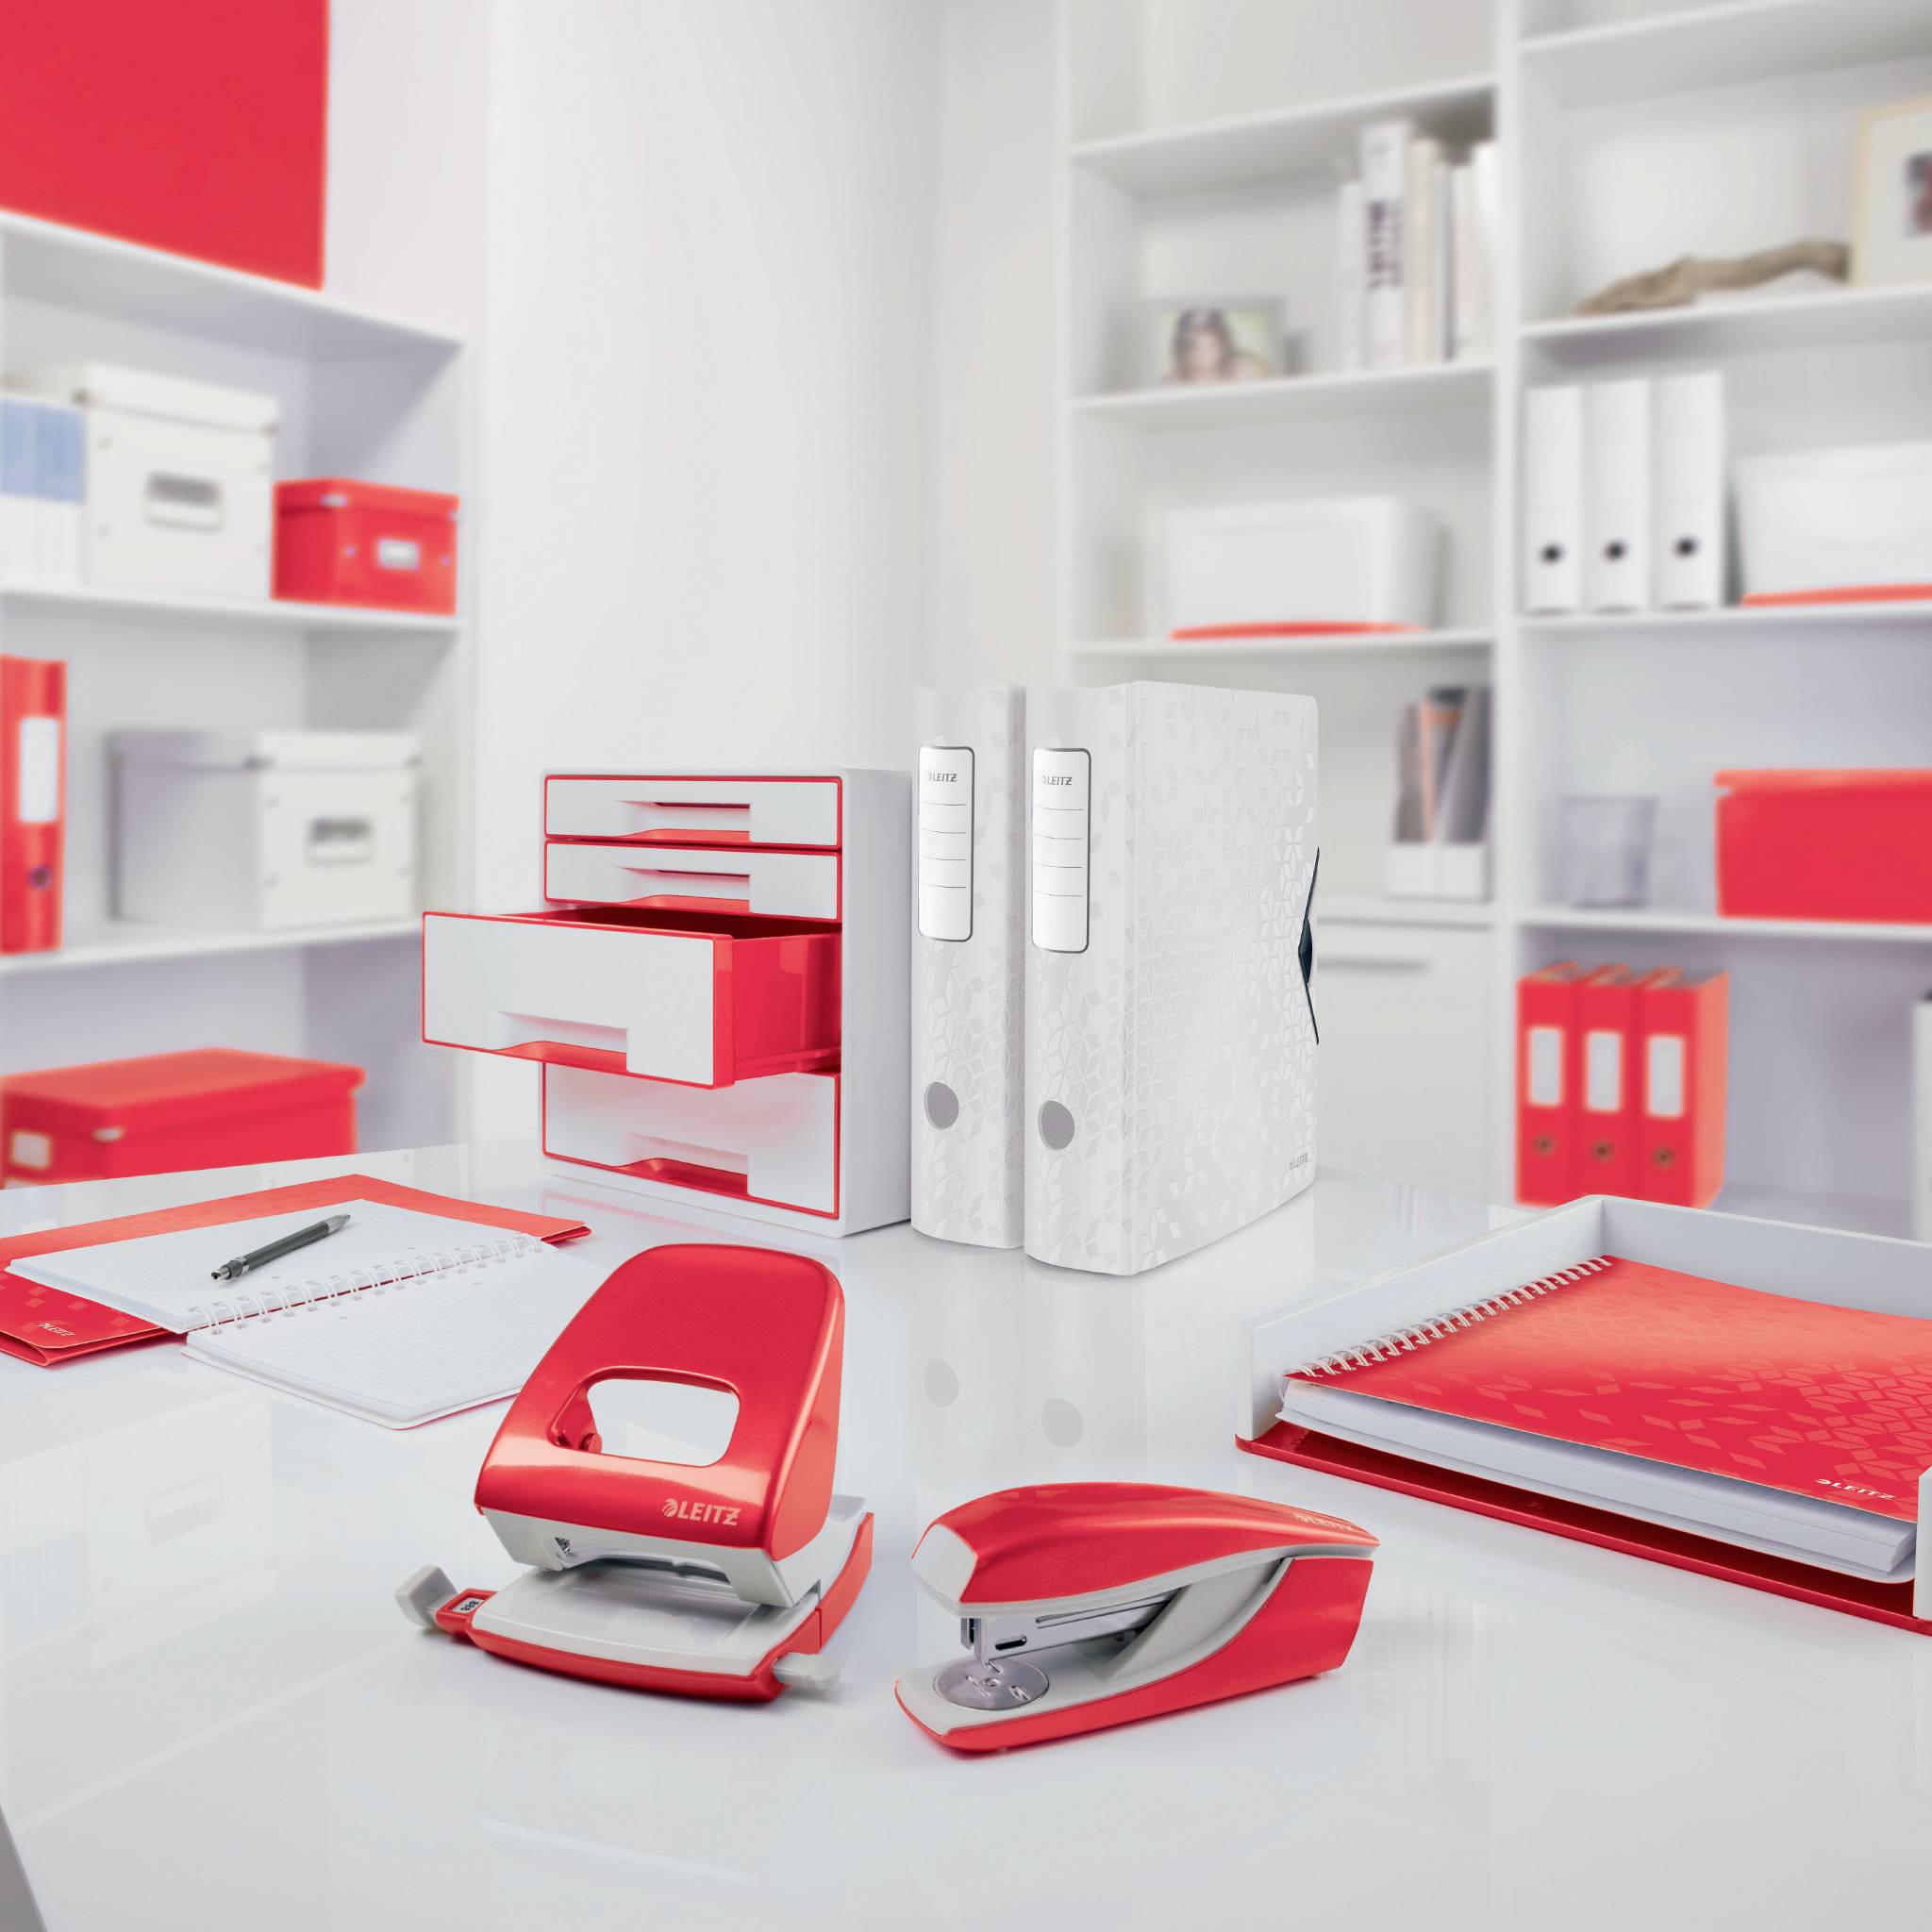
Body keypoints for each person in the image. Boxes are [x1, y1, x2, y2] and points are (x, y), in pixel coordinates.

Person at [1166, 308, 1271, 383]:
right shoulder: (1173, 381)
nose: (1204, 354)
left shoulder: (1243, 369)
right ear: (1183, 349)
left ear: (1223, 344)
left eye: (1211, 346)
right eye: (1196, 347)